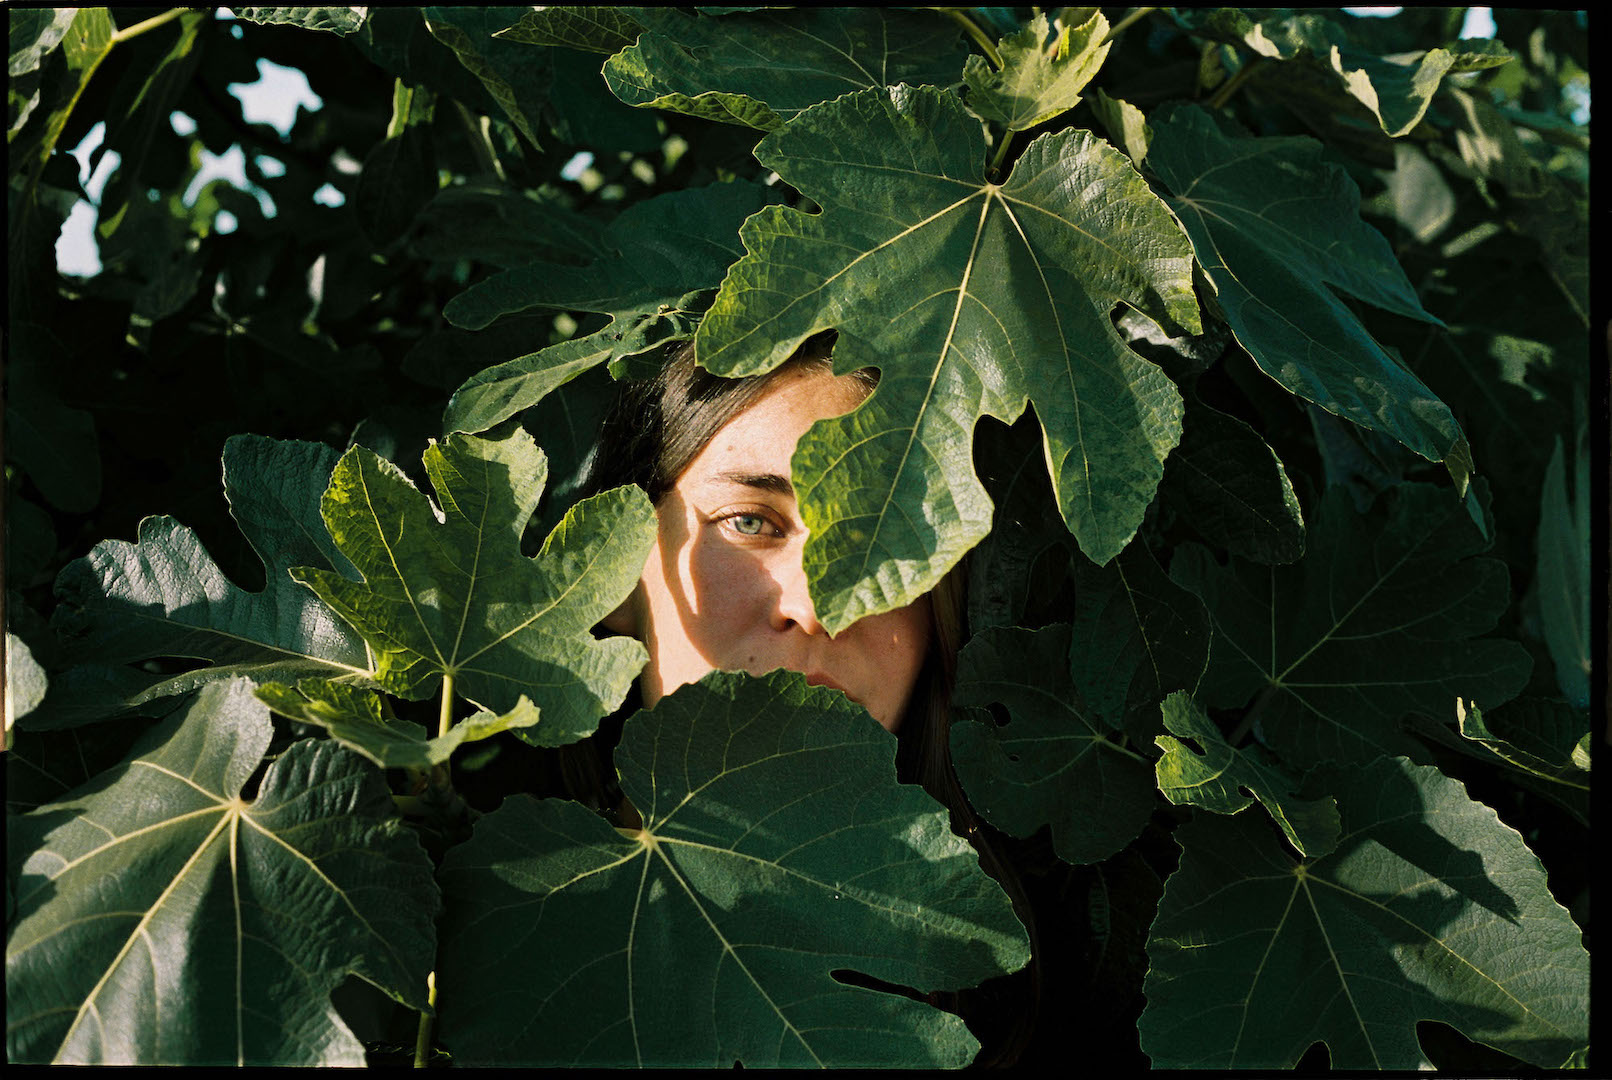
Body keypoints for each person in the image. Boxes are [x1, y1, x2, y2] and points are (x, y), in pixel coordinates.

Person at [553, 331, 1038, 1065]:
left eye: (883, 537)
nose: (816, 606)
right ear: (612, 569)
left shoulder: (1042, 1017)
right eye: (750, 522)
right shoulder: (458, 969)